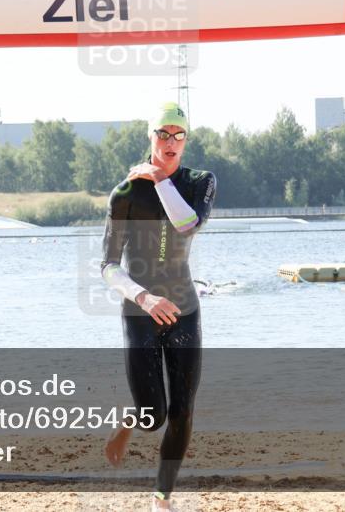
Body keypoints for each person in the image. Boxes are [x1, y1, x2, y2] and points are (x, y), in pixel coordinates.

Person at [100, 102, 216, 511]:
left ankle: (161, 498)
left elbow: (187, 225)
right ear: (150, 136)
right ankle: (131, 420)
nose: (170, 141)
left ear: (186, 140)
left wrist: (161, 180)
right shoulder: (126, 193)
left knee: (183, 412)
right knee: (155, 416)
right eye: (163, 134)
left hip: (184, 310)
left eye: (178, 135)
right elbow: (108, 266)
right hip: (141, 312)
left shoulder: (200, 182)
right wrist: (144, 297)